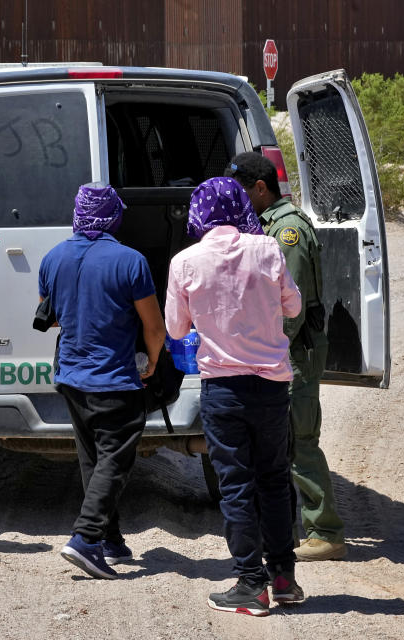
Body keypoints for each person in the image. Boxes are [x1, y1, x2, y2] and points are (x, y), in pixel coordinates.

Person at [165, 177, 304, 616]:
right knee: (275, 480)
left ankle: (251, 584)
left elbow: (175, 329)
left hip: (223, 389)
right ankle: (283, 578)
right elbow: (294, 307)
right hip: (271, 385)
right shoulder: (267, 249)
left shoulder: (185, 262)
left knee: (237, 486)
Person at [38, 182, 167, 580]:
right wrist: (151, 363)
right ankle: (86, 538)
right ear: (115, 215)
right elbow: (155, 327)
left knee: (92, 456)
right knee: (115, 457)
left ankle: (110, 538)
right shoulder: (131, 261)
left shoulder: (52, 257)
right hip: (114, 376)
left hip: (72, 375)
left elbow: (51, 315)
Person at [225, 152, 347, 562]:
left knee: (300, 441)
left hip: (294, 352)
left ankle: (325, 530)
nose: (239, 200)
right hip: (285, 352)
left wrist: (265, 349)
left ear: (261, 188)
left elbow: (287, 308)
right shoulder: (268, 227)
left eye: (243, 191)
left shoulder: (288, 231)